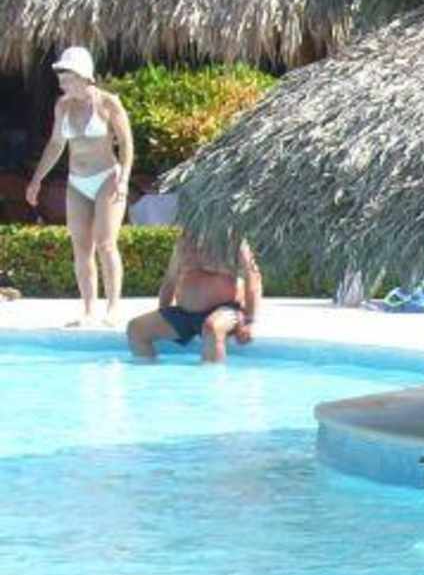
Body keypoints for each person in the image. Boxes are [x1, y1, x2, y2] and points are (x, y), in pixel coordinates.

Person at [23, 47, 134, 327]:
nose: (62, 82)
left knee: (106, 243)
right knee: (81, 247)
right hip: (77, 182)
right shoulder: (63, 106)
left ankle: (113, 308)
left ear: (84, 76)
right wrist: (37, 180)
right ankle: (87, 310)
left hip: (107, 177)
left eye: (67, 77)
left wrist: (123, 179)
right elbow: (56, 144)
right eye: (61, 77)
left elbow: (126, 144)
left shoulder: (108, 103)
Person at [127, 231, 262, 363]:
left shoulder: (233, 241)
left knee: (212, 328)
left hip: (223, 310)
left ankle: (212, 375)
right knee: (136, 329)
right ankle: (149, 370)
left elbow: (253, 278)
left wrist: (249, 321)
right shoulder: (185, 242)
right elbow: (170, 281)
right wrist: (163, 312)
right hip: (185, 313)